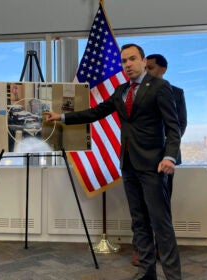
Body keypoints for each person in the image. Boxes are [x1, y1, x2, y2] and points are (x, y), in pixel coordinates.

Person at [44, 44, 182, 280]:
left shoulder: (160, 87)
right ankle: (146, 273)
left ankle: (173, 277)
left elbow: (173, 126)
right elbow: (96, 112)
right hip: (128, 165)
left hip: (153, 166)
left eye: (132, 59)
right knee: (139, 222)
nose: (128, 64)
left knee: (161, 224)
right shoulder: (121, 91)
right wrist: (62, 117)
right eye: (124, 61)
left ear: (142, 60)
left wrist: (169, 157)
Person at [130, 54, 188, 266]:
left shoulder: (176, 93)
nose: (147, 70)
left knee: (160, 207)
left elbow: (179, 125)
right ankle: (140, 248)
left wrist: (165, 153)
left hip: (164, 160)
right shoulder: (133, 92)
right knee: (139, 207)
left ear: (163, 69)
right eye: (146, 66)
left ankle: (161, 249)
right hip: (138, 158)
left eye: (151, 67)